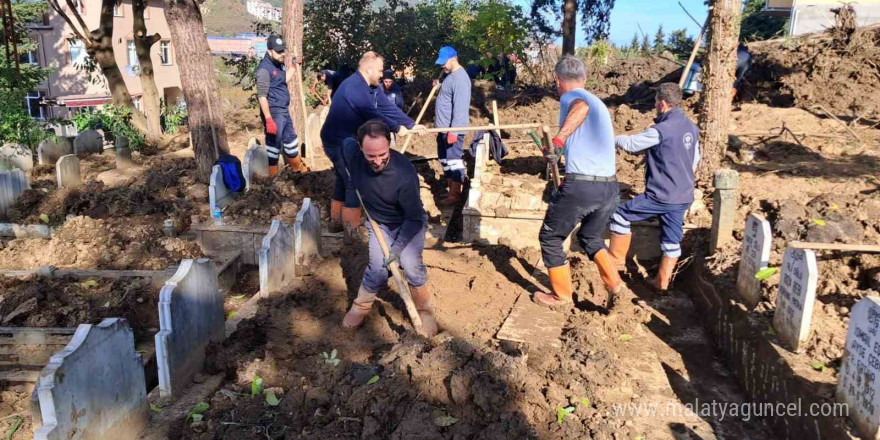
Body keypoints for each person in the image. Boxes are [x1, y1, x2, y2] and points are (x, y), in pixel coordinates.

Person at [533, 56, 624, 309]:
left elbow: (580, 107)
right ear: (584, 78)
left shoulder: (572, 97)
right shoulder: (600, 104)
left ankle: (561, 297)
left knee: (550, 238)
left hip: (583, 186)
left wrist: (558, 141)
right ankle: (615, 285)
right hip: (609, 187)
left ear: (558, 81)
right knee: (590, 238)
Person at [340, 120, 437, 336]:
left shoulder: (403, 174)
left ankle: (424, 310)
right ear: (360, 148)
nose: (377, 161)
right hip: (379, 224)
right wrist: (349, 183)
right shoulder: (352, 152)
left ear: (390, 144)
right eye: (370, 156)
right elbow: (344, 145)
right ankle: (361, 306)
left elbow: (413, 218)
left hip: (408, 223)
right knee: (377, 269)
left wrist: (397, 249)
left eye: (382, 154)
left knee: (410, 265)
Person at [320, 51, 423, 238]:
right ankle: (352, 235)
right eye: (380, 70)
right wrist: (395, 128)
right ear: (368, 69)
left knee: (343, 177)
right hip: (336, 141)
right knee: (353, 179)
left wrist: (410, 124)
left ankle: (335, 222)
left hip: (349, 139)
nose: (382, 75)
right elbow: (370, 113)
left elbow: (386, 107)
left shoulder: (372, 87)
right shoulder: (353, 88)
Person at [608, 83, 700, 292]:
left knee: (620, 215)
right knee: (671, 239)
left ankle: (614, 268)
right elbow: (695, 160)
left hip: (661, 195)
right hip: (683, 195)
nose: (655, 105)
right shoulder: (691, 128)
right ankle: (662, 282)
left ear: (663, 103)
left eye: (656, 101)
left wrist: (613, 139)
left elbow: (631, 145)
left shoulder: (662, 130)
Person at [255, 34, 306, 174]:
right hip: (273, 112)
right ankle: (274, 179)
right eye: (278, 51)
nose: (282, 54)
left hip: (284, 110)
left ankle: (298, 174)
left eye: (283, 50)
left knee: (291, 142)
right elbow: (262, 96)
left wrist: (294, 66)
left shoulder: (278, 64)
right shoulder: (264, 70)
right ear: (269, 50)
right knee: (273, 147)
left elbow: (283, 80)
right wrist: (269, 119)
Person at [433, 46, 472, 205]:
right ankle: (451, 192)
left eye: (444, 62)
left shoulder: (461, 78)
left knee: (454, 160)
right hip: (443, 128)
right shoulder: (450, 76)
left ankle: (455, 195)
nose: (442, 66)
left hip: (451, 130)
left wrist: (454, 131)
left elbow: (461, 106)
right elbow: (448, 95)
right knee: (445, 160)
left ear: (453, 59)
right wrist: (439, 86)